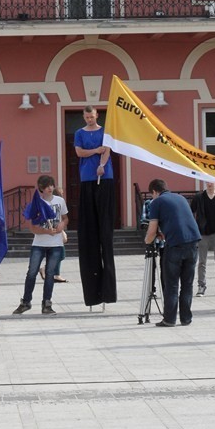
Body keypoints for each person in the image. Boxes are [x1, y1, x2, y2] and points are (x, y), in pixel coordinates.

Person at [73, 105, 117, 307]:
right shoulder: (80, 133)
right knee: (89, 230)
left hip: (103, 176)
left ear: (96, 115)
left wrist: (101, 164)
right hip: (87, 179)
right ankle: (92, 292)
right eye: (87, 116)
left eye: (92, 116)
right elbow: (80, 153)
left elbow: (106, 150)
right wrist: (95, 151)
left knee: (105, 229)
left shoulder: (104, 131)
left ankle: (109, 289)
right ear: (84, 117)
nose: (90, 119)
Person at [144, 179, 200, 327]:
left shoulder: (157, 202)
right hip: (193, 242)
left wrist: (147, 241)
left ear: (155, 192)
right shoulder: (181, 198)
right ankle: (186, 318)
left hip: (175, 245)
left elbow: (151, 231)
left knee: (171, 284)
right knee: (187, 284)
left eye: (152, 195)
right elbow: (179, 220)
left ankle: (169, 319)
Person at [13, 175, 68, 315]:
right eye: (47, 186)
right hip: (39, 243)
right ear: (41, 188)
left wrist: (61, 226)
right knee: (32, 272)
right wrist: (46, 231)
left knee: (50, 274)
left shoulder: (59, 201)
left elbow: (65, 218)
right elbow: (32, 228)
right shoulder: (36, 204)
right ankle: (26, 302)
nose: (50, 188)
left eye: (51, 185)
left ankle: (47, 304)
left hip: (55, 244)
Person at [40, 186, 68, 283]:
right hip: (54, 232)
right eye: (62, 193)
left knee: (59, 254)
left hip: (56, 231)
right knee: (60, 254)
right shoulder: (56, 204)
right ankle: (49, 271)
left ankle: (55, 273)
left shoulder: (58, 204)